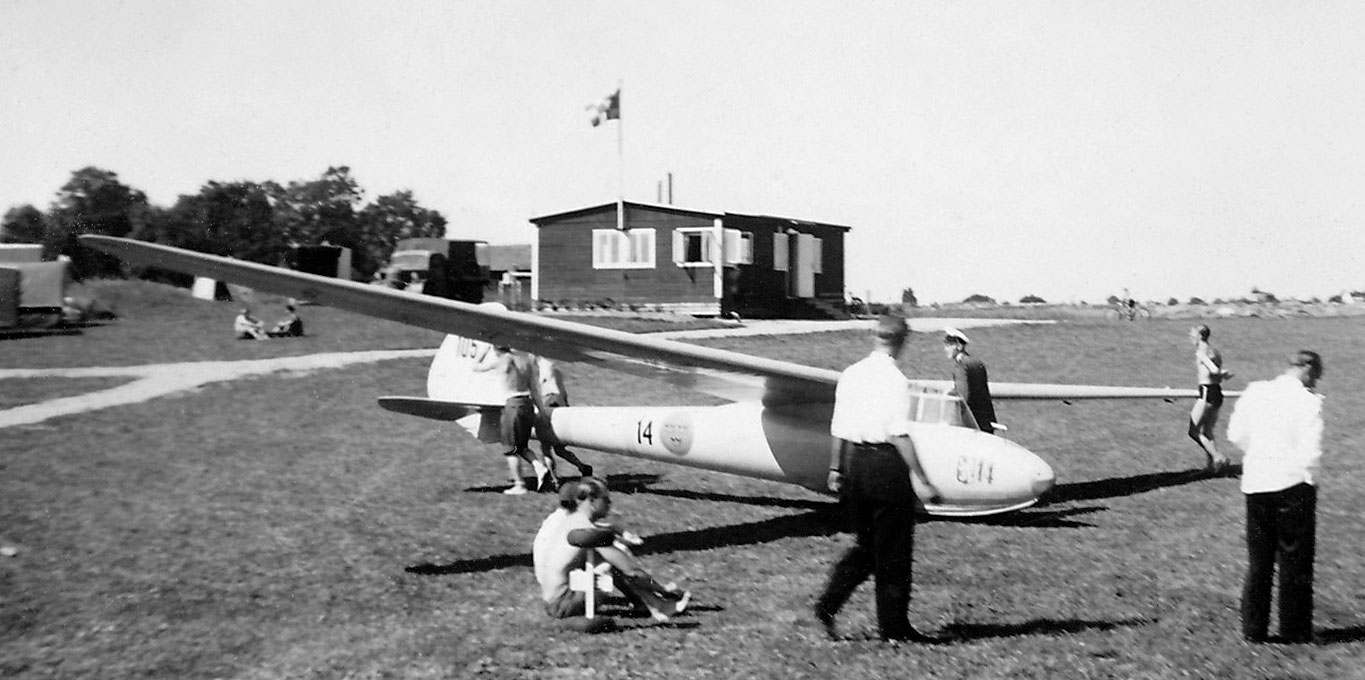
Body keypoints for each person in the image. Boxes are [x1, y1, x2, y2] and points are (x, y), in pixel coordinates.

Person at [814, 314, 946, 643]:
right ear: (902, 341)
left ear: (874, 336)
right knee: (893, 553)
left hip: (857, 465)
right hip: (886, 467)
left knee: (867, 546)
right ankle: (894, 628)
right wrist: (923, 478)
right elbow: (899, 434)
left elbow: (839, 427)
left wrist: (835, 469)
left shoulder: (851, 374)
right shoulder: (896, 380)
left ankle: (828, 603)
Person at [1226, 350, 1325, 644]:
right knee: (1295, 560)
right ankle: (1295, 629)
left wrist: (1260, 455)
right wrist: (1311, 480)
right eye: (1316, 377)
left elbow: (1236, 435)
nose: (1315, 383)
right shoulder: (1308, 402)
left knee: (1259, 561)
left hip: (1257, 483)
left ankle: (1253, 629)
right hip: (1293, 484)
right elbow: (1312, 449)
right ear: (1308, 369)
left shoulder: (1255, 392)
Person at [533, 478, 690, 623]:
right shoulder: (588, 532)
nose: (610, 503)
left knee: (605, 561)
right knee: (610, 565)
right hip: (564, 604)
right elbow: (631, 570)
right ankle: (658, 605)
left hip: (553, 602)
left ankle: (656, 605)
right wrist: (661, 589)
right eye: (606, 499)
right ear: (592, 501)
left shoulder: (573, 521)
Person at [472, 344, 555, 495]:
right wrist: (542, 411)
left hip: (513, 405)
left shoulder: (501, 361)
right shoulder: (525, 361)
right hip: (527, 404)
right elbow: (534, 389)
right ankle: (540, 468)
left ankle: (519, 485)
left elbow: (475, 367)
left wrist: (483, 350)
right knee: (521, 446)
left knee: (510, 448)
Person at [533, 355, 593, 479]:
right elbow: (563, 392)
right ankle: (582, 467)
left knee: (546, 447)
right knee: (559, 449)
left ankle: (554, 480)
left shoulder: (545, 365)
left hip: (550, 403)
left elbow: (546, 383)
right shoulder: (556, 370)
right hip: (560, 403)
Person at [1188, 324, 1232, 473]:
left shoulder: (1201, 352)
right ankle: (1212, 467)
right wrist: (1223, 374)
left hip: (1207, 392)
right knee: (1207, 431)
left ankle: (1218, 457)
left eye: (1192, 334)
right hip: (1217, 392)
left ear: (1200, 336)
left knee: (1193, 431)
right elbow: (1217, 372)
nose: (1190, 337)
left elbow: (1213, 370)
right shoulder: (1215, 351)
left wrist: (1220, 373)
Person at [942, 328, 997, 434]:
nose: (945, 349)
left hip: (971, 425)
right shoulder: (976, 362)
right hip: (985, 422)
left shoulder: (961, 366)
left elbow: (962, 396)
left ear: (958, 346)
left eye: (948, 345)